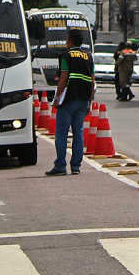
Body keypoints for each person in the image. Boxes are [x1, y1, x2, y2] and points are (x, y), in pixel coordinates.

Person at [46, 28, 94, 176]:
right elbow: (92, 80)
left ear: (70, 40)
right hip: (83, 100)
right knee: (78, 133)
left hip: (68, 100)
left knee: (62, 133)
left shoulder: (66, 55)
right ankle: (76, 166)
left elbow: (64, 78)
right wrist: (90, 101)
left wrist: (56, 98)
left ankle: (60, 166)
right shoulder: (88, 56)